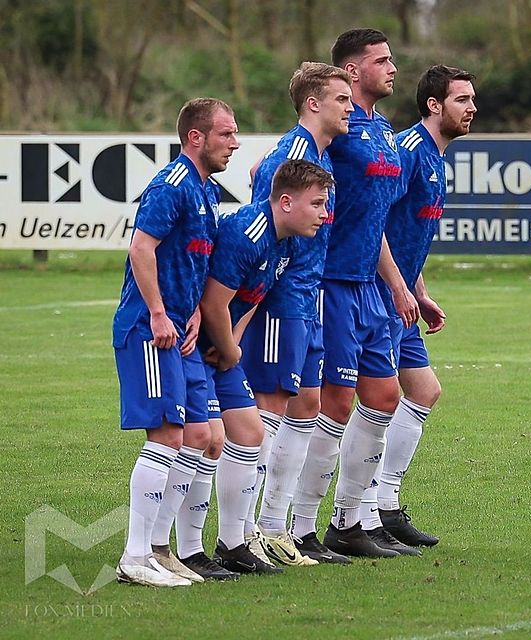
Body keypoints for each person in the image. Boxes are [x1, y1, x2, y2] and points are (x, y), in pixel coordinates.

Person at [289, 28, 419, 558]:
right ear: (351, 70)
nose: (392, 68)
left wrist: (399, 284)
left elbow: (375, 220)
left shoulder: (383, 129)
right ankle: (298, 528)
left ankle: (352, 522)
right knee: (334, 404)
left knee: (385, 397)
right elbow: (278, 178)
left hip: (371, 286)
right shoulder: (337, 129)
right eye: (381, 61)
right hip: (334, 282)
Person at [113, 97, 239, 587]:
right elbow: (141, 249)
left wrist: (189, 317)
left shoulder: (206, 191)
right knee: (166, 436)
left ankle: (161, 552)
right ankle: (134, 557)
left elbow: (192, 262)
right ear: (196, 138)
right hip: (148, 330)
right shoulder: (172, 185)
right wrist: (162, 312)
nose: (234, 142)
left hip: (177, 331)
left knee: (202, 436)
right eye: (226, 134)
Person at [238, 62, 353, 567]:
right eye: (341, 99)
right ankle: (243, 534)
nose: (350, 108)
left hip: (310, 299)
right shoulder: (287, 157)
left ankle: (277, 528)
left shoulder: (320, 156)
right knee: (269, 410)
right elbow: (264, 227)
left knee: (306, 405)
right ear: (313, 104)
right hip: (281, 300)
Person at [196, 159, 335, 575]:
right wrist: (228, 348)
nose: (324, 214)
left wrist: (233, 342)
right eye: (318, 204)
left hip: (219, 345)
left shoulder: (287, 240)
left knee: (249, 432)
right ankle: (173, 549)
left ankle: (233, 542)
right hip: (190, 345)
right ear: (286, 202)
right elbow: (212, 301)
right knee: (193, 440)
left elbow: (252, 298)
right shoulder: (248, 231)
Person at [363, 65, 477, 548]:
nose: (472, 108)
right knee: (377, 402)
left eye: (472, 100)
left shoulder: (436, 156)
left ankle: (386, 505)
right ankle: (361, 513)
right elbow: (376, 224)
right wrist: (396, 286)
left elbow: (412, 234)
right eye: (462, 100)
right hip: (381, 292)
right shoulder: (408, 153)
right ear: (434, 105)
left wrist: (420, 288)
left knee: (424, 391)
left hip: (403, 293)